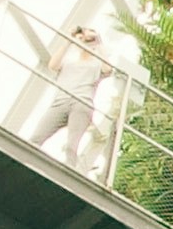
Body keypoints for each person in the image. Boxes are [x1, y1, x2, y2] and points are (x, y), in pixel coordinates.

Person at [20, 22, 110, 169]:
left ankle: (69, 174)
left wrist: (98, 42)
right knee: (36, 137)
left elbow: (108, 69)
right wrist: (69, 39)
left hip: (82, 103)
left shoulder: (96, 62)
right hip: (61, 101)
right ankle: (24, 163)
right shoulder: (70, 57)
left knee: (71, 147)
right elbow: (53, 65)